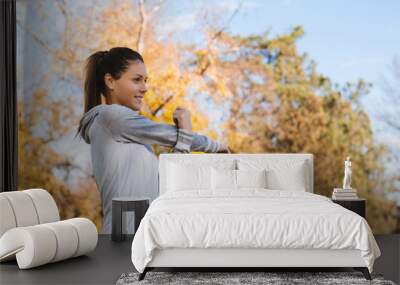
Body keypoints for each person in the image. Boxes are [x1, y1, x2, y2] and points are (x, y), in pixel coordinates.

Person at [76, 47, 229, 234]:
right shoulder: (112, 117)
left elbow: (166, 188)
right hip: (125, 240)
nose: (144, 88)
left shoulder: (127, 134)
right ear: (110, 81)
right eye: (136, 80)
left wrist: (185, 134)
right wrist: (217, 146)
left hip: (141, 237)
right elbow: (171, 135)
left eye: (145, 80)